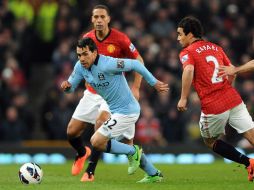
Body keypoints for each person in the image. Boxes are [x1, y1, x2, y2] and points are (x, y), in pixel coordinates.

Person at [61, 37, 168, 182]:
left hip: (127, 111)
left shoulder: (108, 63)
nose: (82, 58)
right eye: (79, 55)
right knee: (101, 142)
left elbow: (136, 64)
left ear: (94, 52)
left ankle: (133, 151)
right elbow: (71, 87)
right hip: (116, 111)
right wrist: (67, 87)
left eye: (85, 54)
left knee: (97, 141)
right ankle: (153, 174)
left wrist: (153, 82)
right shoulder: (80, 67)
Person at [66, 5, 144, 182]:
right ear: (92, 19)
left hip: (111, 94)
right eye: (96, 17)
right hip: (92, 92)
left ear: (108, 19)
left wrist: (136, 87)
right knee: (71, 132)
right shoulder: (86, 38)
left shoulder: (120, 39)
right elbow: (81, 63)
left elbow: (138, 60)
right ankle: (81, 152)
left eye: (102, 17)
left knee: (101, 123)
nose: (99, 20)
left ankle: (90, 171)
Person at [176, 16, 254, 182]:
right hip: (232, 98)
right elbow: (231, 71)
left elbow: (188, 70)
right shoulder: (215, 47)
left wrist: (183, 98)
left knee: (210, 141)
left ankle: (248, 162)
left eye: (180, 34)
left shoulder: (187, 52)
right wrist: (226, 87)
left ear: (190, 35)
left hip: (213, 105)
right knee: (251, 135)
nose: (178, 38)